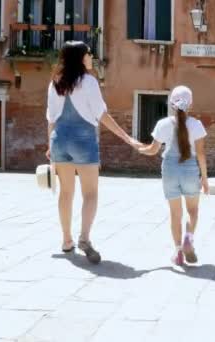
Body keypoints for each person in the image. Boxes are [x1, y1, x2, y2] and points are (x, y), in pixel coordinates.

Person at [46, 41, 139, 264]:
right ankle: (84, 238)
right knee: (90, 194)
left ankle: (66, 240)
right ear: (80, 57)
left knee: (65, 193)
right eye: (89, 53)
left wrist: (50, 145)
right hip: (83, 139)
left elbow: (50, 118)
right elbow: (102, 115)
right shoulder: (88, 82)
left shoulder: (55, 83)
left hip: (59, 139)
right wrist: (127, 138)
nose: (91, 57)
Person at [139, 86, 209, 266]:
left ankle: (178, 252)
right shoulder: (196, 125)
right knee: (192, 211)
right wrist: (205, 179)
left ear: (171, 104)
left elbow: (152, 150)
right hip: (190, 171)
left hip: (169, 171)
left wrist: (139, 148)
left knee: (175, 214)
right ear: (190, 104)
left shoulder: (163, 124)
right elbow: (201, 154)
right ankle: (189, 238)